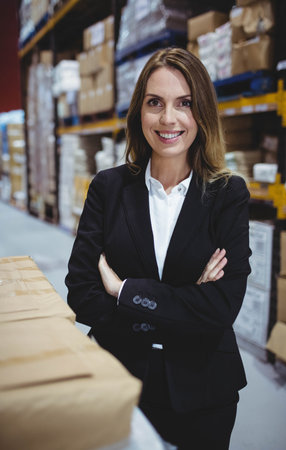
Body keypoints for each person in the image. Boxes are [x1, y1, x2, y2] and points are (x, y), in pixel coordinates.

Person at [65, 47, 251, 449]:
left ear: (202, 113)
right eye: (155, 103)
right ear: (139, 113)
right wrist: (185, 306)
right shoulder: (108, 189)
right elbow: (81, 292)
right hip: (122, 381)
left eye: (184, 103)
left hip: (204, 392)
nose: (169, 119)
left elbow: (221, 307)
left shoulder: (227, 195)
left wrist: (124, 292)